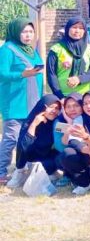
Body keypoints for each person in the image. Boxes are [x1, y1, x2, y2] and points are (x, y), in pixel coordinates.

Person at [0, 18, 45, 185]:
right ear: (15, 32)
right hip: (14, 103)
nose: (28, 35)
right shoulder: (7, 49)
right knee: (11, 138)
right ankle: (1, 171)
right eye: (24, 32)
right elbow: (2, 74)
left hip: (32, 102)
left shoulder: (31, 50)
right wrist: (21, 74)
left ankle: (23, 167)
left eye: (31, 32)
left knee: (28, 137)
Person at [7, 94, 61, 187]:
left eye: (57, 108)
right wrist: (34, 124)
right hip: (30, 159)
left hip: (45, 158)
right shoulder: (30, 121)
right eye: (51, 107)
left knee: (59, 157)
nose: (54, 110)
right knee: (22, 145)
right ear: (42, 106)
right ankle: (20, 171)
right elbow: (24, 146)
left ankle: (49, 172)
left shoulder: (56, 123)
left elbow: (65, 135)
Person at [46, 16, 90, 96]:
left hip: (86, 96)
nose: (77, 31)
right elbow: (51, 74)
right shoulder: (56, 49)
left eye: (81, 28)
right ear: (68, 29)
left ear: (85, 31)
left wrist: (79, 79)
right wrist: (59, 96)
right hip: (64, 95)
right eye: (74, 27)